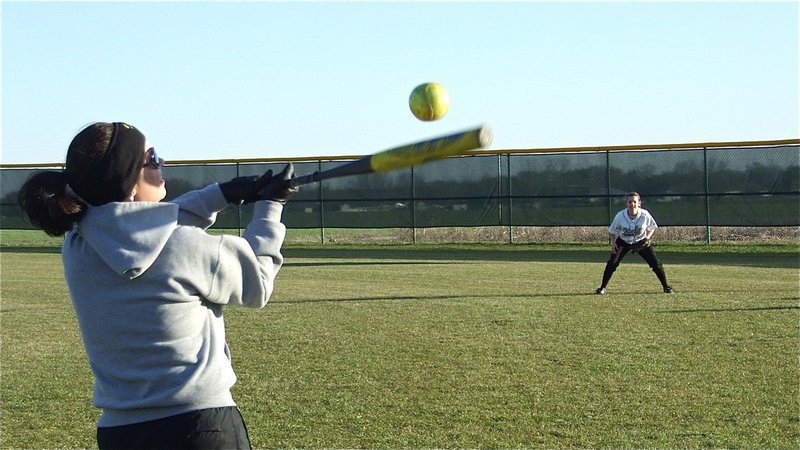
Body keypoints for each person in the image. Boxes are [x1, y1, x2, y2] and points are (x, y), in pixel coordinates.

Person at [17, 122, 298, 449]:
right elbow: (259, 284)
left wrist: (220, 194)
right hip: (201, 427)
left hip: (120, 432)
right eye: (152, 160)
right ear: (129, 182)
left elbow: (143, 224)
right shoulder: (186, 246)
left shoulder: (77, 245)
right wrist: (270, 209)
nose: (162, 164)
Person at [595, 191, 673, 295]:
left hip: (640, 241)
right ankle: (602, 288)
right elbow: (612, 231)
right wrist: (613, 244)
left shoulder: (644, 215)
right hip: (623, 241)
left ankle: (666, 287)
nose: (632, 204)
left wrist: (647, 238)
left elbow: (652, 227)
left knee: (656, 264)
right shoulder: (620, 216)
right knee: (612, 264)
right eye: (630, 202)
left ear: (639, 203)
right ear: (626, 203)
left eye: (635, 202)